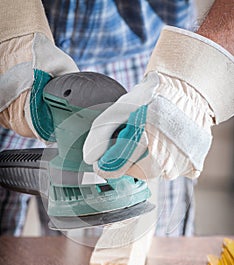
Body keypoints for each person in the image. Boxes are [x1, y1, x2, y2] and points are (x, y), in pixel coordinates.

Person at [0, 0, 233, 236]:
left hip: (151, 70)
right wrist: (11, 34)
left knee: (153, 261)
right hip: (22, 59)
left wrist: (194, 81)